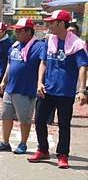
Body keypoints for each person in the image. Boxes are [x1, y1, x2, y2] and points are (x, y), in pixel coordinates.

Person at [30, 10, 88, 169]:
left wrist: (82, 90)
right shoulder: (49, 41)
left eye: (51, 22)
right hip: (47, 89)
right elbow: (43, 63)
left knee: (64, 125)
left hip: (65, 91)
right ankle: (43, 150)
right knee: (40, 120)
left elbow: (83, 66)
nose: (48, 25)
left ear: (61, 24)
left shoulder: (77, 44)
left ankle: (63, 155)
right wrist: (39, 83)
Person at [0, 18, 43, 155]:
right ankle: (5, 142)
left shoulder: (38, 47)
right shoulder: (15, 46)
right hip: (10, 88)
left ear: (28, 31)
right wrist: (4, 81)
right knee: (6, 116)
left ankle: (23, 143)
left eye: (19, 31)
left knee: (24, 119)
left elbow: (43, 66)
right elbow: (10, 64)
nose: (16, 33)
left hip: (25, 89)